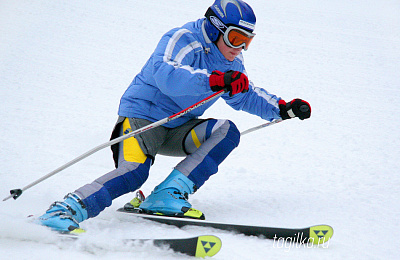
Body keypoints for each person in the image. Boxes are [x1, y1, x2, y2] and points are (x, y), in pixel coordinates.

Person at [38, 0, 311, 233]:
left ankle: (166, 195)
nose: (239, 48)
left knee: (227, 131)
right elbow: (167, 75)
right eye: (236, 38)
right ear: (215, 28)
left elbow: (244, 93)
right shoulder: (182, 39)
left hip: (178, 129)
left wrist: (281, 108)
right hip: (142, 120)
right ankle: (64, 210)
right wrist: (216, 80)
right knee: (133, 174)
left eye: (247, 41)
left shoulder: (231, 61)